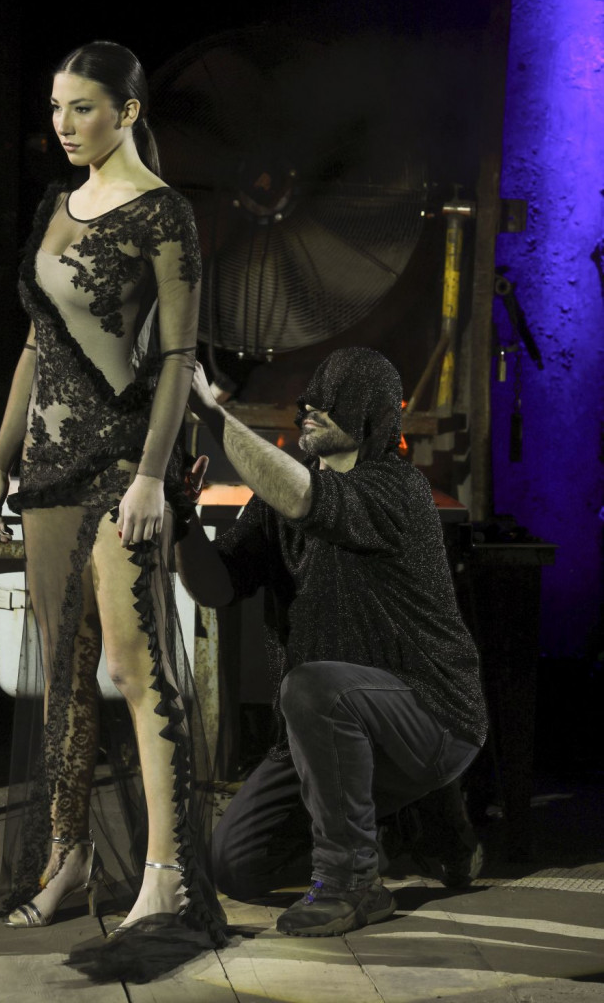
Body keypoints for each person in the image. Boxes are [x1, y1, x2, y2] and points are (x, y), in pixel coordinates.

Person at [0, 41, 225, 951]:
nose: (64, 124)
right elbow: (36, 347)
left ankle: (165, 873)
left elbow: (178, 357)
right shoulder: (57, 203)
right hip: (45, 471)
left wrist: (154, 474)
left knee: (133, 666)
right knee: (64, 676)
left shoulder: (164, 214)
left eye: (82, 107)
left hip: (122, 461)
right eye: (55, 108)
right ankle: (68, 857)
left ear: (128, 110)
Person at [177, 347, 488, 936]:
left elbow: (304, 498)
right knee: (234, 865)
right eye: (309, 398)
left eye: (332, 399)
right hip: (324, 725)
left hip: (430, 713)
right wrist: (182, 519)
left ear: (370, 414)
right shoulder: (279, 503)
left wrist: (212, 413)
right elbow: (217, 587)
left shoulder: (397, 488)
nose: (310, 407)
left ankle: (353, 882)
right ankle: (388, 824)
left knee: (315, 687)